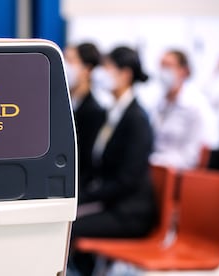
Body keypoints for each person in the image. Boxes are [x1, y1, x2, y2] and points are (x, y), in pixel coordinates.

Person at [70, 46, 157, 276]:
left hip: (130, 213)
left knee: (70, 226)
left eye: (108, 68)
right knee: (66, 216)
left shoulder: (137, 119)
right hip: (111, 203)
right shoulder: (115, 113)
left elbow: (127, 180)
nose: (102, 73)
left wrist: (87, 197)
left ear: (125, 74)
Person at [150, 49, 219, 169]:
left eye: (168, 66)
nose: (163, 72)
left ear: (184, 71)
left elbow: (190, 157)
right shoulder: (159, 102)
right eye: (161, 66)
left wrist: (156, 160)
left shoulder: (196, 106)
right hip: (155, 169)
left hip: (178, 174)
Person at [64, 43, 106, 200]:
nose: (66, 66)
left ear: (87, 69)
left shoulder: (94, 111)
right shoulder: (65, 103)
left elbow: (86, 161)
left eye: (71, 60)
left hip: (79, 190)